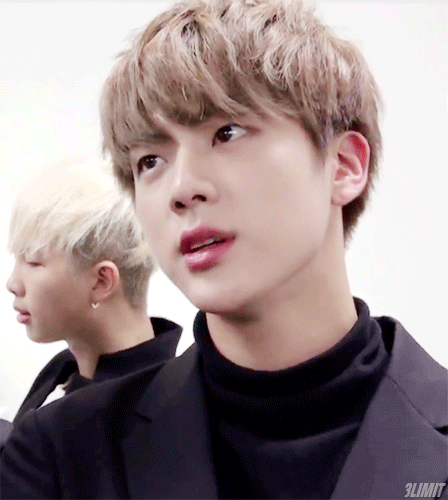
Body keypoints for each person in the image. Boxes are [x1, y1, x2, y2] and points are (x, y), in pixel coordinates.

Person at [1, 0, 447, 498]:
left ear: (343, 165)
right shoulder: (61, 458)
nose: (181, 187)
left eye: (226, 133)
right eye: (150, 160)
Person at [5, 159, 182, 425]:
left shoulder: (138, 417)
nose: (12, 283)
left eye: (33, 262)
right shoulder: (66, 367)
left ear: (101, 282)